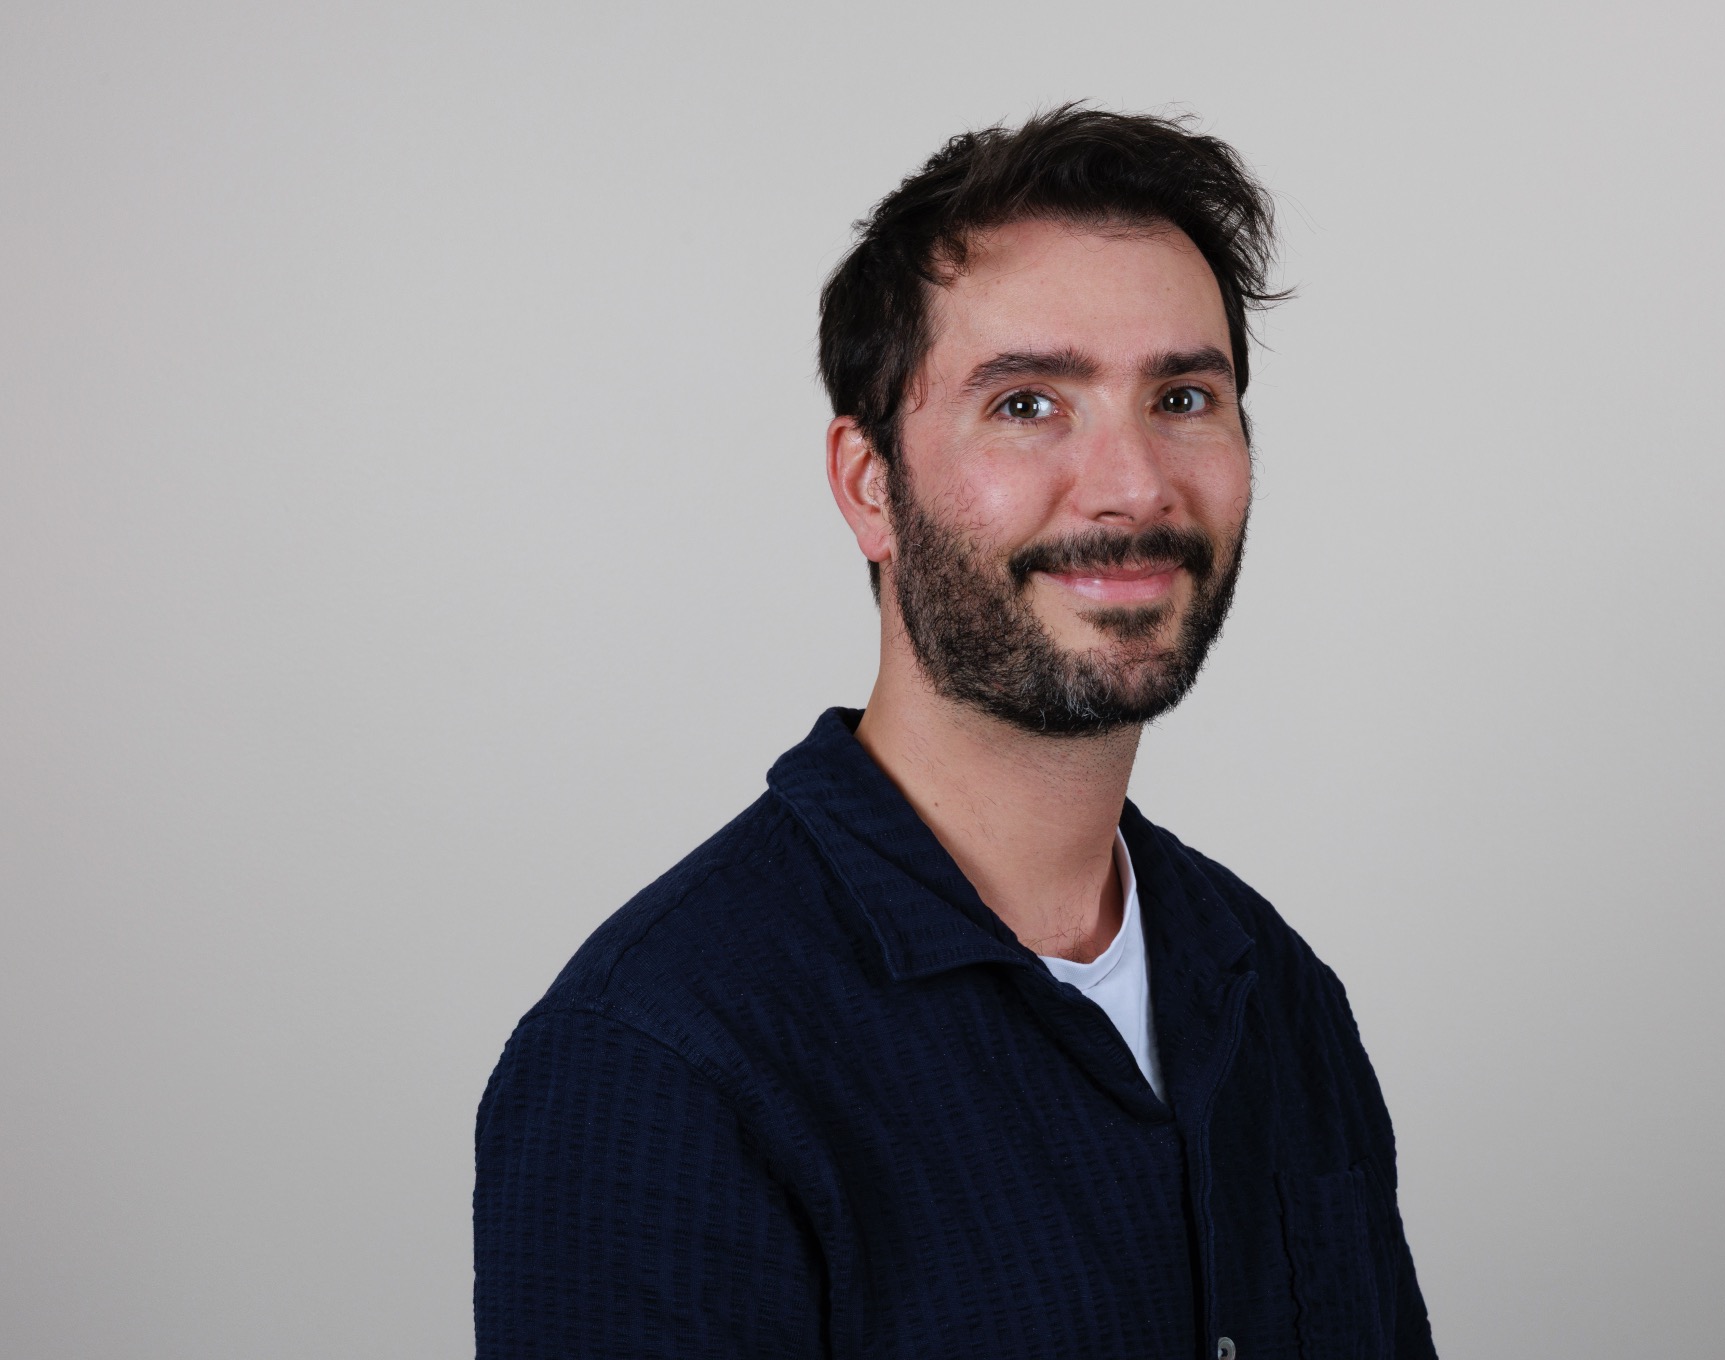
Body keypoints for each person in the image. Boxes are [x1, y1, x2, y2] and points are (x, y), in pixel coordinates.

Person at [474, 104, 1436, 1359]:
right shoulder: (661, 1061)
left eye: (1183, 396)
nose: (1133, 484)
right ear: (869, 484)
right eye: (1028, 403)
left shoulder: (1277, 993)